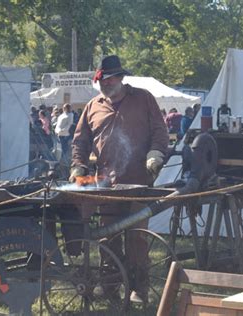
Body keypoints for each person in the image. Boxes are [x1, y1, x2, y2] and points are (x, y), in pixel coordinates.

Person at [70, 55, 169, 303]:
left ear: (121, 78)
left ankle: (139, 289)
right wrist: (79, 166)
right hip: (105, 183)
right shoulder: (93, 105)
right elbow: (80, 141)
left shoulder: (144, 98)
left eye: (109, 79)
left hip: (138, 183)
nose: (104, 83)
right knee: (107, 237)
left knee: (136, 237)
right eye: (101, 80)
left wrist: (156, 153)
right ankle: (111, 285)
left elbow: (160, 130)